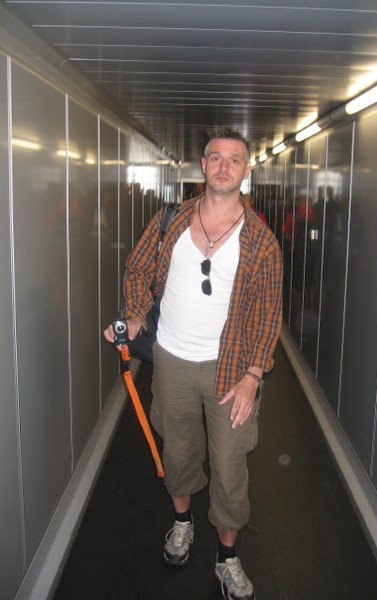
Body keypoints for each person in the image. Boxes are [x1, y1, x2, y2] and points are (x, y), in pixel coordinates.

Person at [104, 127, 283, 600]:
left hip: (231, 369)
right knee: (179, 449)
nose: (224, 166)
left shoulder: (261, 241)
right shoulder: (172, 220)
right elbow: (139, 268)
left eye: (234, 159)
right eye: (216, 158)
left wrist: (253, 376)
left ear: (247, 171)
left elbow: (268, 316)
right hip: (172, 361)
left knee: (229, 463)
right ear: (203, 166)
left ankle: (227, 556)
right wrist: (136, 314)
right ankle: (182, 522)